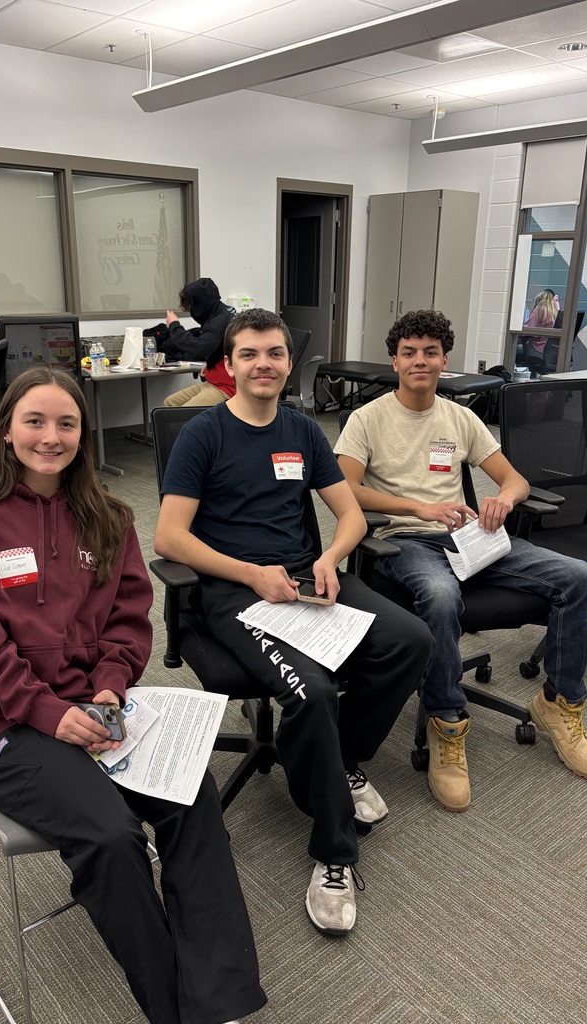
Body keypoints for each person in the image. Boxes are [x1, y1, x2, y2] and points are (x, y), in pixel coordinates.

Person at [0, 366, 266, 1024]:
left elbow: (129, 624)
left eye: (66, 424)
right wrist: (51, 714)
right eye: (34, 421)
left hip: (96, 707)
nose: (49, 437)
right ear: (5, 430)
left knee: (191, 793)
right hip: (4, 721)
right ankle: (174, 1011)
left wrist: (110, 691)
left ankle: (218, 999)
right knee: (113, 839)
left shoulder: (107, 517)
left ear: (85, 436)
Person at [154, 308, 432, 936]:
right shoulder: (203, 435)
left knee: (412, 640)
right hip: (236, 593)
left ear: (289, 361)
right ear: (228, 364)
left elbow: (351, 514)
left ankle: (339, 760)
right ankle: (333, 854)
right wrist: (252, 574)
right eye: (249, 354)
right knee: (311, 689)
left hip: (309, 581)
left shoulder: (303, 431)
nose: (263, 365)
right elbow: (169, 537)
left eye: (275, 353)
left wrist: (332, 557)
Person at [334, 309, 587, 815]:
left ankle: (559, 704)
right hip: (403, 541)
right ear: (394, 360)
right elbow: (344, 488)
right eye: (409, 352)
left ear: (444, 360)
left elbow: (515, 479)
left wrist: (504, 498)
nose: (420, 361)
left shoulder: (460, 417)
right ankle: (446, 721)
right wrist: (419, 508)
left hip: (468, 537)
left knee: (578, 577)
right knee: (439, 595)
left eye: (430, 352)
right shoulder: (367, 418)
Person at [162, 278, 236, 406]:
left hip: (226, 387)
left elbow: (198, 349)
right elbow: (221, 347)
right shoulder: (224, 313)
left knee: (181, 414)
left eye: (191, 307)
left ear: (201, 304)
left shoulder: (218, 322)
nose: (191, 312)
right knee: (170, 403)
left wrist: (174, 325)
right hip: (214, 381)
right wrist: (211, 364)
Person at [523, 288, 560, 357]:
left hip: (538, 347)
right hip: (550, 350)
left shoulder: (540, 309)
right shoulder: (556, 311)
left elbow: (527, 330)